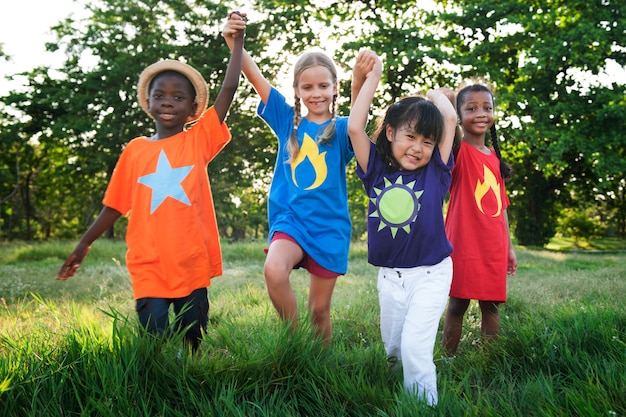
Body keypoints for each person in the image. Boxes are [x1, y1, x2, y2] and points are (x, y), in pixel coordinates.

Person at [56, 15, 246, 353]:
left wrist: (237, 41)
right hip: (149, 261)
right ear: (149, 103)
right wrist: (84, 244)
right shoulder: (135, 150)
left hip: (190, 258)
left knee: (192, 337)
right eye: (160, 96)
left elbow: (229, 89)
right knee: (153, 337)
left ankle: (187, 380)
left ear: (193, 109)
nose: (168, 102)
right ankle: (155, 380)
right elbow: (115, 204)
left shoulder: (197, 140)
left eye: (178, 97)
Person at [222, 13, 354, 344]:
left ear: (335, 88)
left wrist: (367, 78)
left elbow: (366, 122)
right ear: (296, 89)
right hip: (291, 221)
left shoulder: (342, 129)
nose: (316, 93)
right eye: (307, 86)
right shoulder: (287, 120)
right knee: (273, 270)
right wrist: (234, 41)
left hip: (329, 228)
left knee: (319, 312)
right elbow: (253, 76)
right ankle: (295, 344)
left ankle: (319, 370)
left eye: (323, 86)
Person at [348, 50, 457, 406]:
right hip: (390, 278)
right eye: (410, 137)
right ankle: (397, 389)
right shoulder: (375, 170)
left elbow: (450, 117)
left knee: (414, 348)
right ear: (391, 132)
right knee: (393, 350)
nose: (418, 148)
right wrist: (371, 78)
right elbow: (353, 126)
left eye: (427, 141)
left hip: (431, 273)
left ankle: (422, 407)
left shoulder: (435, 171)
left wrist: (434, 97)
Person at [442, 83, 517, 356]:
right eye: (471, 108)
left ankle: (489, 361)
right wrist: (448, 103)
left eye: (487, 107)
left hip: (493, 246)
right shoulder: (458, 152)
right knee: (457, 304)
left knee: (491, 306)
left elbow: (502, 207)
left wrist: (508, 247)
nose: (481, 113)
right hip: (463, 244)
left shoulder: (494, 158)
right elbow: (449, 125)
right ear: (459, 116)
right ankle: (447, 358)